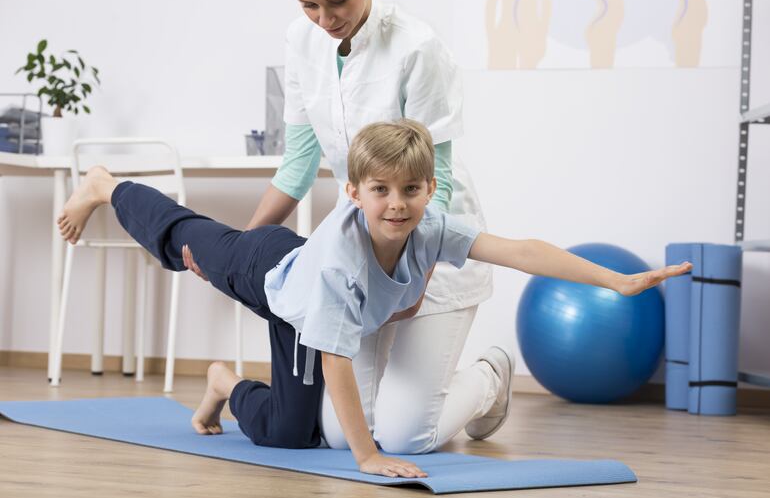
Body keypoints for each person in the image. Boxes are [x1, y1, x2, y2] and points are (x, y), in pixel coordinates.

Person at [57, 119, 691, 478]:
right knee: (188, 240)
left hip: (300, 299)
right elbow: (335, 359)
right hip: (268, 271)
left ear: (429, 189)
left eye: (411, 190)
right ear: (354, 192)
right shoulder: (340, 266)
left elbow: (521, 250)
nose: (397, 204)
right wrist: (368, 455)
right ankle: (105, 185)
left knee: (289, 434)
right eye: (380, 190)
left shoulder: (430, 226)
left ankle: (225, 381)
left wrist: (617, 281)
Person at [187, 0, 501, 454]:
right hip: (363, 250)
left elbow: (441, 178)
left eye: (337, 2)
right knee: (337, 435)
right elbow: (298, 166)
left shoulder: (417, 46)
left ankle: (489, 378)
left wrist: (418, 274)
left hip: (432, 252)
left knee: (402, 437)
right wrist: (238, 250)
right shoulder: (301, 40)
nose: (325, 18)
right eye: (309, 5)